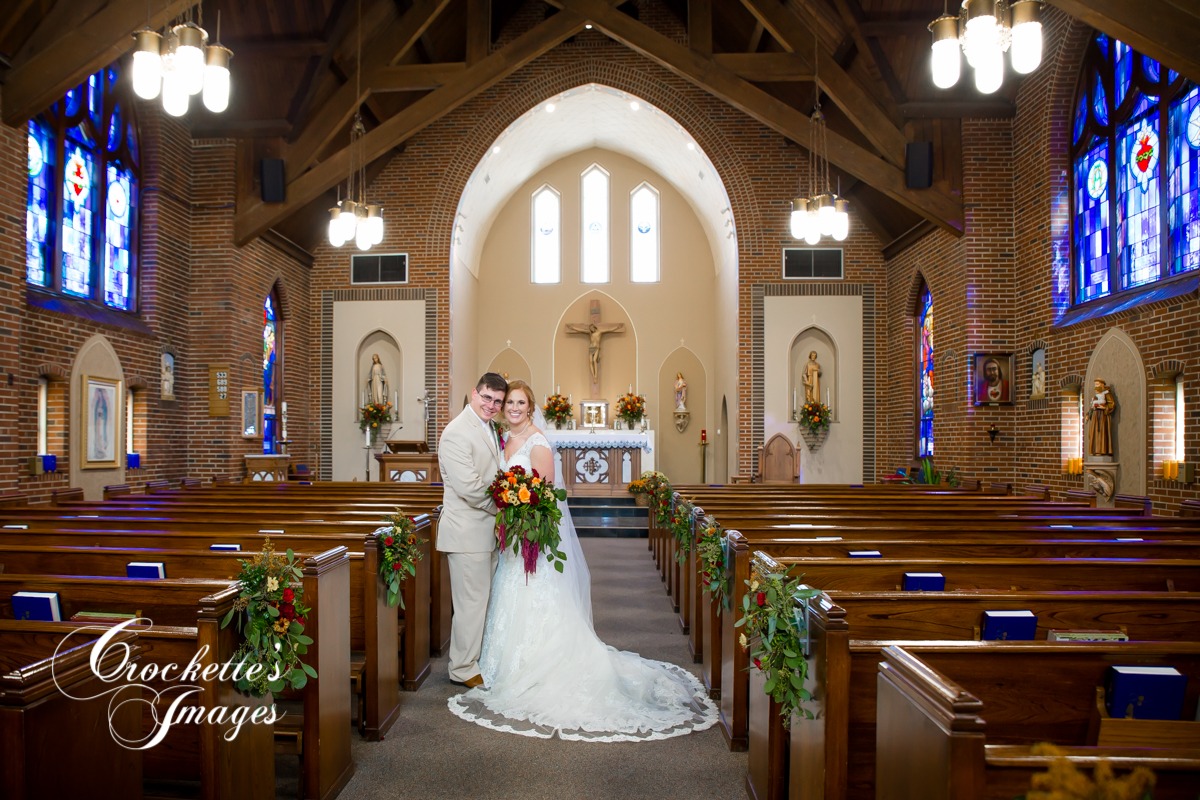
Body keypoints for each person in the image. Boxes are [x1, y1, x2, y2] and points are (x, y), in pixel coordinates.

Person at [448, 380, 718, 742]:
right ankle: (492, 664)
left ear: (530, 407)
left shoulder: (538, 442)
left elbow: (544, 496)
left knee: (532, 599)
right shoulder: (499, 437)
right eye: (504, 401)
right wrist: (507, 507)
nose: (510, 407)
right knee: (500, 598)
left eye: (517, 402)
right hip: (507, 539)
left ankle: (534, 666)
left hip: (529, 539)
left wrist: (516, 509)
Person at [436, 372, 509, 688]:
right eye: (487, 398)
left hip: (484, 532)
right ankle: (462, 668)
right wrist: (506, 510)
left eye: (498, 401)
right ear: (474, 393)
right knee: (470, 605)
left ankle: (473, 660)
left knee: (482, 601)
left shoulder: (489, 428)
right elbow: (469, 487)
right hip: (466, 533)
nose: (491, 406)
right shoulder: (456, 432)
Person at [1086, 378, 1116, 456]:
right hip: (1095, 415)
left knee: (1101, 432)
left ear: (1102, 385)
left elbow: (1111, 404)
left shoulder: (1106, 394)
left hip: (1102, 416)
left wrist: (1103, 408)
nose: (1096, 386)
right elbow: (1091, 406)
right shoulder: (1095, 395)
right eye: (1095, 384)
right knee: (1095, 432)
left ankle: (1101, 450)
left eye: (1097, 384)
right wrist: (1088, 414)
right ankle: (1094, 450)